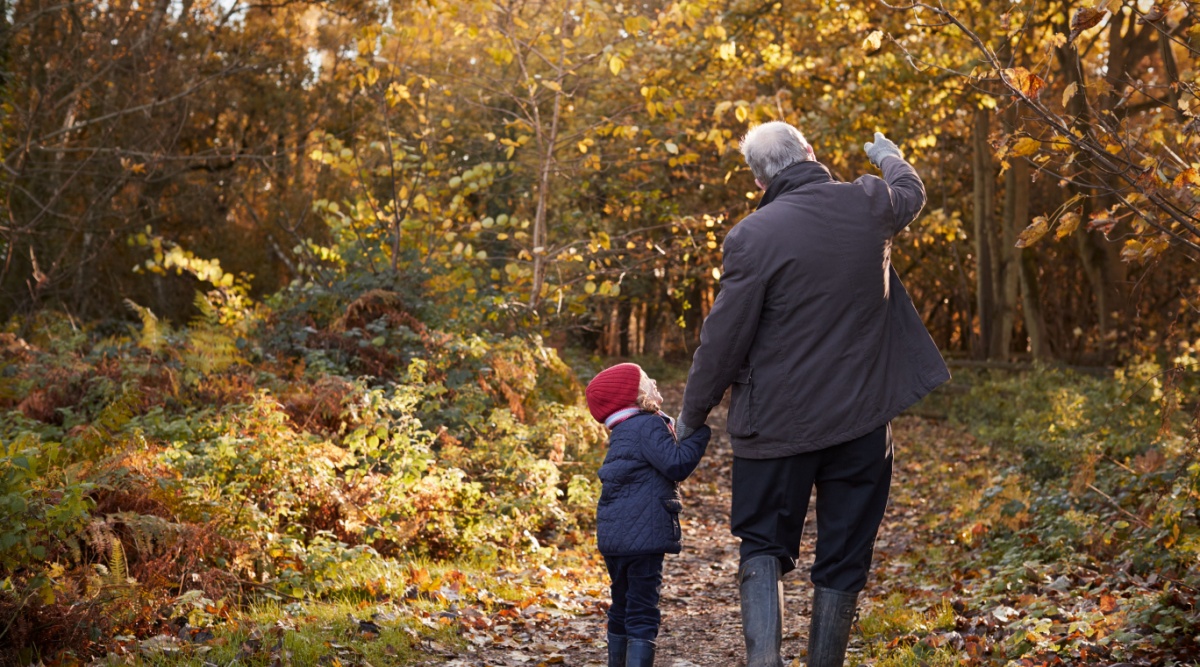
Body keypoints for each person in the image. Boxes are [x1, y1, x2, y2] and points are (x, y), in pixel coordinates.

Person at [674, 123, 950, 667]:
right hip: (862, 425)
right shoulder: (870, 202)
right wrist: (888, 155)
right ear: (809, 152)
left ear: (758, 179)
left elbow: (722, 341)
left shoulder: (751, 236)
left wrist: (692, 415)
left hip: (776, 426)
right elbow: (912, 192)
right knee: (845, 554)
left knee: (763, 544)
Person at [586, 362, 712, 667]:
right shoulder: (648, 424)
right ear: (632, 395)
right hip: (643, 538)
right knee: (642, 610)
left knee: (621, 606)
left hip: (615, 537)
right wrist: (700, 434)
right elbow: (676, 464)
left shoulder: (623, 429)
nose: (653, 381)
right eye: (645, 380)